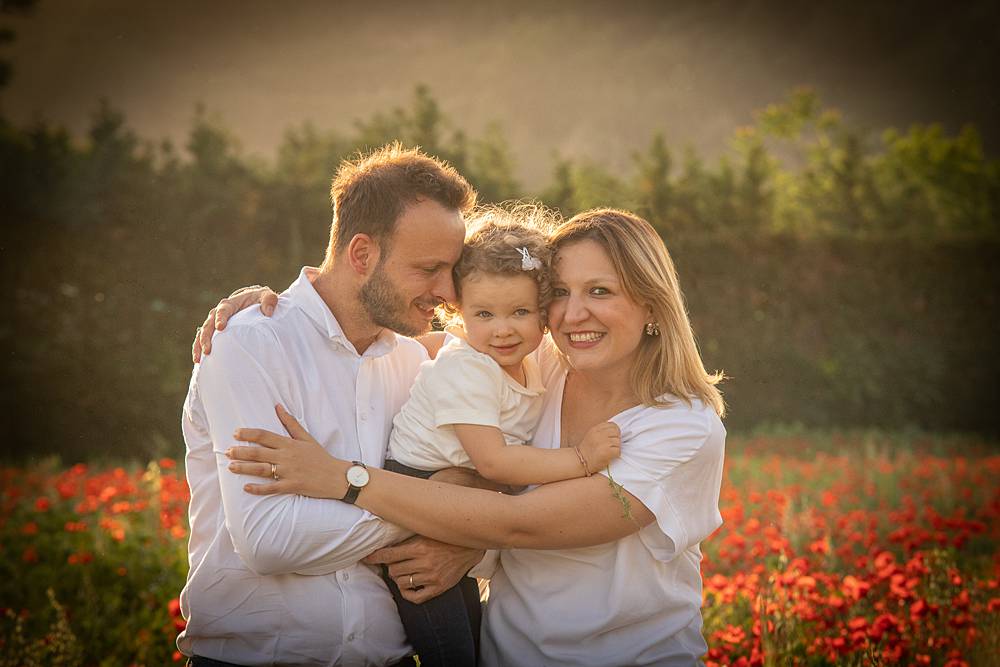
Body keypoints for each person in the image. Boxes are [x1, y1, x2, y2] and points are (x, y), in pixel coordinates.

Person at [215, 208, 727, 666]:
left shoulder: (682, 427)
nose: (573, 315)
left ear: (654, 305)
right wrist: (279, 314)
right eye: (560, 294)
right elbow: (393, 337)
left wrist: (345, 479)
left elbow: (521, 525)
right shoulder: (537, 367)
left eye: (600, 291)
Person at [178, 143, 485, 667]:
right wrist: (443, 507)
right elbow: (269, 541)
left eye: (452, 270)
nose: (448, 291)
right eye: (430, 268)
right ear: (361, 254)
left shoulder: (417, 364)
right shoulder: (249, 343)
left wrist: (466, 535)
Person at [375, 206, 621, 666]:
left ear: (544, 314)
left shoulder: (528, 360)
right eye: (484, 313)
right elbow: (493, 462)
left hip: (460, 505)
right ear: (458, 312)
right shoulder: (468, 367)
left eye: (521, 312)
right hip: (414, 502)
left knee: (473, 638)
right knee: (453, 652)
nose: (503, 328)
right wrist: (581, 460)